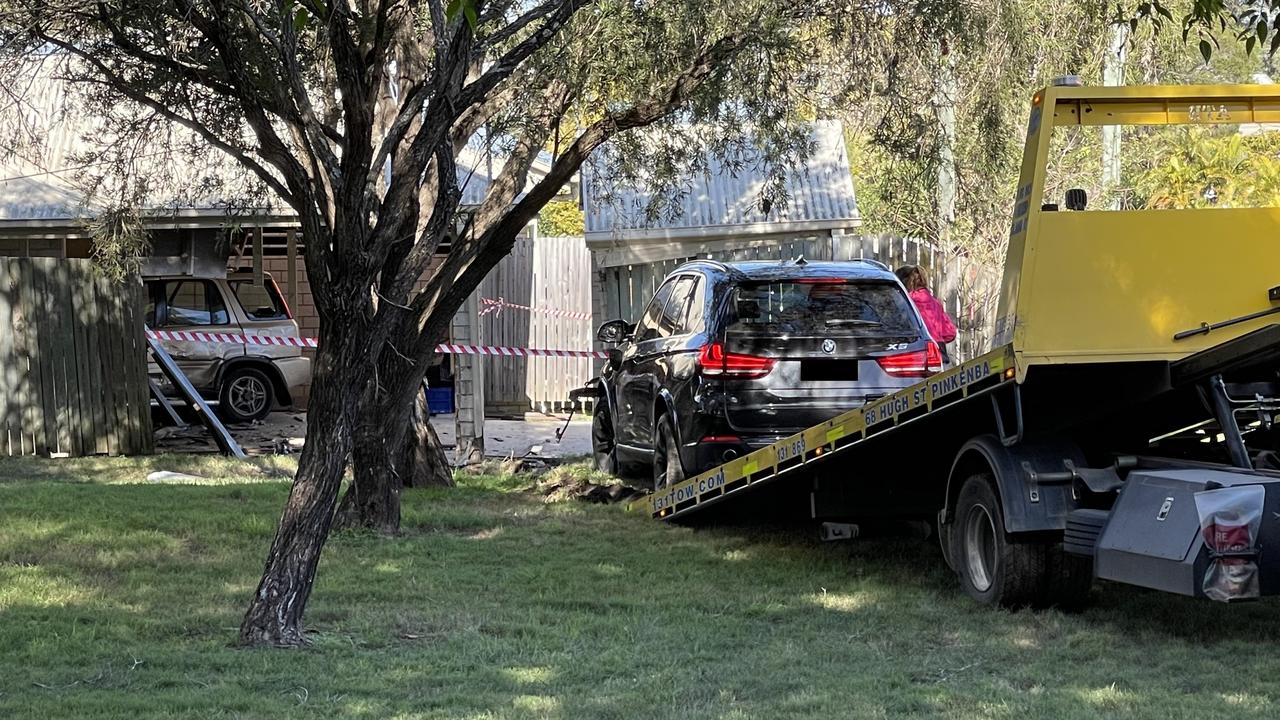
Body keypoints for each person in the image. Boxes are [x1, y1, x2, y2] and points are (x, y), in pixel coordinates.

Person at [895, 265, 957, 360]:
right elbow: (950, 333)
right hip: (939, 350)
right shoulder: (935, 302)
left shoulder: (906, 302)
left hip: (915, 349)